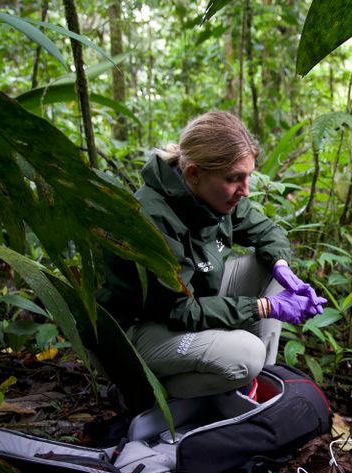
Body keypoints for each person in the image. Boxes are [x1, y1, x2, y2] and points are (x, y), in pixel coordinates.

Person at [98, 110, 325, 399]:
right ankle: (140, 395)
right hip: (136, 333)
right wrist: (264, 307)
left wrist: (282, 267)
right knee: (247, 355)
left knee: (267, 266)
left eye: (248, 178)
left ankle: (251, 383)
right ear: (193, 173)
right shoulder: (154, 218)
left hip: (191, 300)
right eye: (234, 179)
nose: (244, 190)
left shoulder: (216, 194)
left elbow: (266, 230)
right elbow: (181, 311)